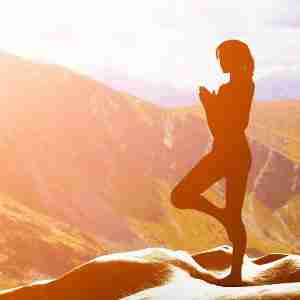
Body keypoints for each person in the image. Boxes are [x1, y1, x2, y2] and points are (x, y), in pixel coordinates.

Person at [170, 39, 255, 286]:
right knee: (232, 215)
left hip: (228, 154)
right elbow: (231, 127)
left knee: (180, 196)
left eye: (223, 57)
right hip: (236, 154)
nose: (220, 62)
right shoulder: (246, 85)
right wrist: (214, 105)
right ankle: (235, 271)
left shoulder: (232, 89)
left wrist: (209, 105)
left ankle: (235, 272)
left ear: (234, 58)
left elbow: (222, 129)